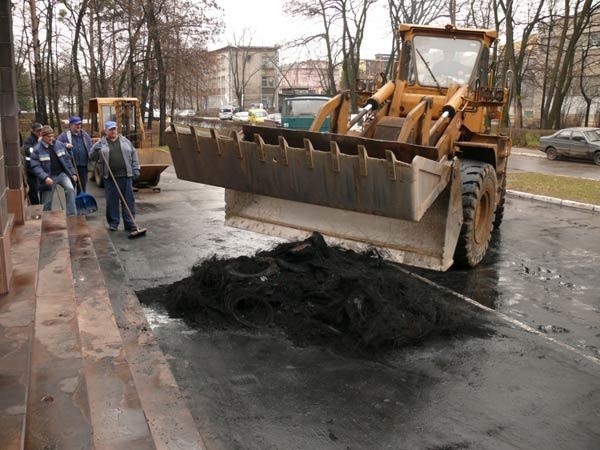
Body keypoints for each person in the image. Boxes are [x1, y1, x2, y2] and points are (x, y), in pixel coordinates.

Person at [89, 121, 140, 231]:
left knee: (128, 201)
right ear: (106, 131)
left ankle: (130, 223)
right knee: (112, 202)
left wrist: (136, 169)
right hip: (110, 178)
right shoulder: (101, 144)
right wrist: (95, 150)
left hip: (126, 176)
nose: (113, 131)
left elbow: (134, 154)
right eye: (110, 129)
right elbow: (92, 157)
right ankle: (113, 223)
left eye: (114, 129)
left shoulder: (125, 141)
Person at [29, 125, 78, 216]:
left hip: (61, 174)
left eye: (52, 136)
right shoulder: (37, 149)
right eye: (48, 136)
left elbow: (67, 160)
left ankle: (71, 214)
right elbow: (35, 166)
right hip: (48, 177)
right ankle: (46, 217)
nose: (51, 138)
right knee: (47, 201)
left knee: (70, 189)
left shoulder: (59, 144)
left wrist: (73, 173)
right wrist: (45, 177)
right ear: (42, 136)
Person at [57, 116, 92, 194]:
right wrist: (65, 145)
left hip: (83, 167)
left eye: (79, 124)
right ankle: (72, 205)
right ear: (71, 125)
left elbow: (90, 148)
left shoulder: (85, 135)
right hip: (70, 167)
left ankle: (80, 205)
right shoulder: (64, 136)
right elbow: (56, 145)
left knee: (82, 189)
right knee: (70, 190)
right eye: (76, 124)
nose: (79, 126)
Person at [21, 122, 43, 205]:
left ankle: (43, 207)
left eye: (41, 130)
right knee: (33, 192)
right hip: (32, 170)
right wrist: (39, 143)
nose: (40, 132)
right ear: (33, 131)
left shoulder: (43, 138)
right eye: (38, 131)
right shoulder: (28, 140)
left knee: (44, 191)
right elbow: (30, 151)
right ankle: (36, 209)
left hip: (42, 169)